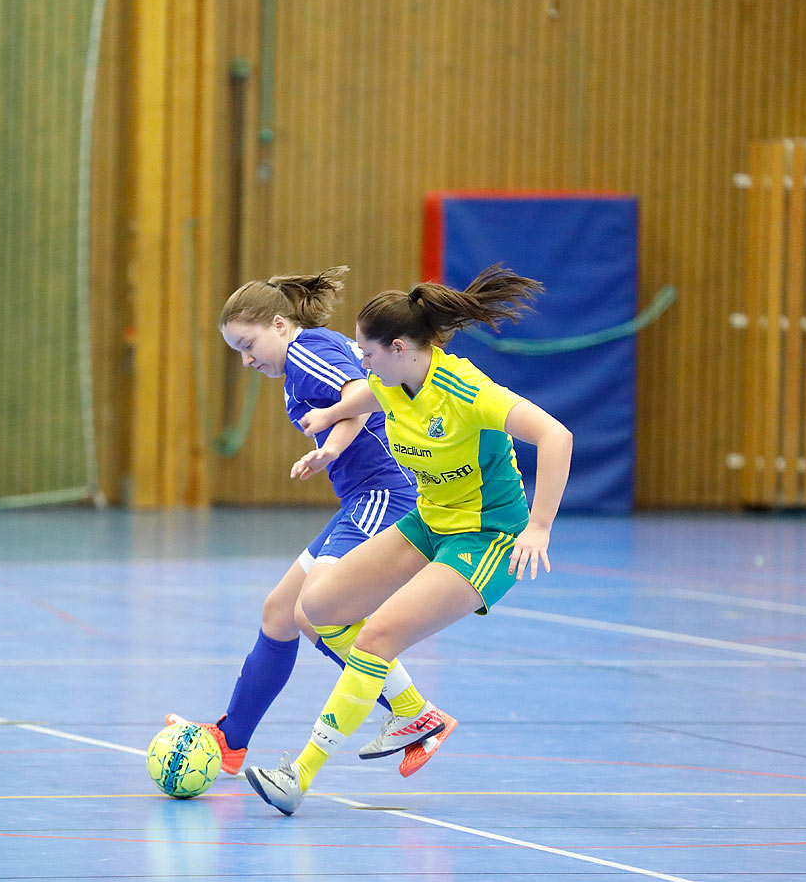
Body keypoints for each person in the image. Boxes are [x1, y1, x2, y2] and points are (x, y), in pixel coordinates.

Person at [245, 264, 574, 815]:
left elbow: (555, 435)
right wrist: (329, 416)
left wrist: (539, 525)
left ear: (399, 348)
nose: (360, 363)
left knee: (376, 638)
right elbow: (366, 397)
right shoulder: (391, 382)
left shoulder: (467, 391)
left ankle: (298, 775)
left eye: (367, 354)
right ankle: (415, 714)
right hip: (429, 521)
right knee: (317, 607)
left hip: (484, 535)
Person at [166, 267, 456, 779]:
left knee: (312, 612)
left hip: (386, 492)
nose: (246, 358)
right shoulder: (304, 355)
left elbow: (365, 396)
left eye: (248, 344)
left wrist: (331, 446)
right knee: (280, 611)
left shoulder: (306, 354)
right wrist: (331, 447)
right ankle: (231, 741)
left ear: (279, 324)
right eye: (237, 350)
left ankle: (414, 712)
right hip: (363, 497)